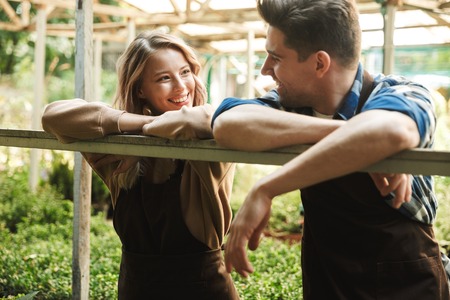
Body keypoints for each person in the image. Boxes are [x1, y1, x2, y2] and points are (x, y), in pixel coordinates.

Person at [211, 0, 450, 299]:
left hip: (408, 286)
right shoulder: (294, 107)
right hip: (328, 284)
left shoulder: (402, 92)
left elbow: (390, 130)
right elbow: (229, 123)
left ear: (320, 63)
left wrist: (266, 188)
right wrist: (360, 140)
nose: (265, 70)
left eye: (275, 57)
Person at [42, 30, 239, 300]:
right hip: (135, 291)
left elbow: (208, 117)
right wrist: (139, 129)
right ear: (140, 89)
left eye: (185, 72)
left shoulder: (207, 145)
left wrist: (146, 132)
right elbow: (52, 116)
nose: (181, 87)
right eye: (164, 78)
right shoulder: (120, 153)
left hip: (203, 291)